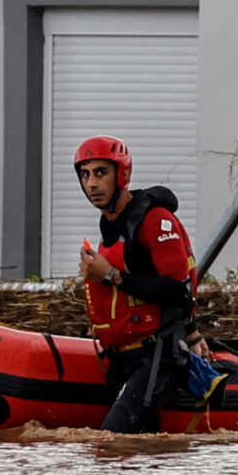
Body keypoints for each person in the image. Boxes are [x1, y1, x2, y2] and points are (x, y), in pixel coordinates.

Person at [72, 135, 197, 434]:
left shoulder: (154, 220)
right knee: (137, 456)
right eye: (85, 175)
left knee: (112, 445)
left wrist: (111, 276)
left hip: (156, 356)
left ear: (122, 174)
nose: (91, 184)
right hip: (123, 356)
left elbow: (177, 289)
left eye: (101, 173)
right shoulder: (111, 225)